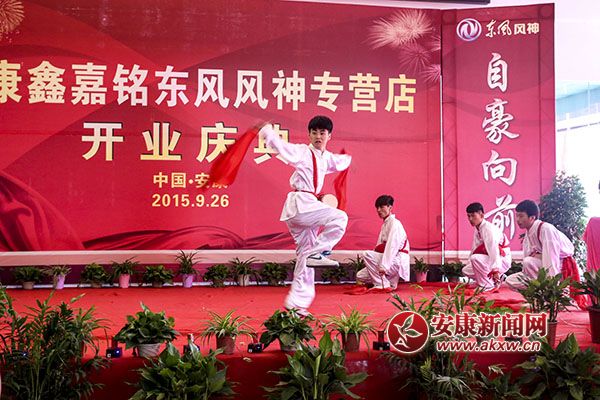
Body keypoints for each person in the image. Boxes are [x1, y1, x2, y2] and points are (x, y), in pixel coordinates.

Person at [258, 116, 351, 316]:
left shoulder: (326, 157)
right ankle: (319, 252)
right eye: (314, 132)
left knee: (305, 258)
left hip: (305, 209)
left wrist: (348, 159)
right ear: (309, 134)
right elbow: (281, 146)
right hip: (301, 205)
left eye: (322, 133)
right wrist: (267, 131)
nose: (318, 136)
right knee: (340, 218)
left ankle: (297, 304)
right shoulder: (302, 152)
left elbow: (338, 162)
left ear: (329, 136)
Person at [505, 199, 575, 290]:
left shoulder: (546, 229)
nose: (518, 220)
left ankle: (546, 288)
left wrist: (552, 285)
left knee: (528, 261)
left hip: (559, 265)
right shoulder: (528, 233)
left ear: (532, 217)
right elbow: (529, 256)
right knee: (510, 280)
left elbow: (551, 258)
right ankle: (538, 287)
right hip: (541, 266)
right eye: (517, 216)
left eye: (521, 216)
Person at [356, 195, 409, 292]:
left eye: (381, 207)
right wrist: (373, 264)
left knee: (366, 254)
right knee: (360, 276)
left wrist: (384, 266)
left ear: (390, 207)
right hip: (389, 259)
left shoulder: (395, 224)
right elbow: (378, 247)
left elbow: (392, 246)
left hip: (396, 260)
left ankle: (381, 284)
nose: (378, 210)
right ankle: (389, 282)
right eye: (377, 207)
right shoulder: (385, 224)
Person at [461, 202, 511, 291]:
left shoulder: (488, 229)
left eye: (473, 216)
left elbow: (494, 250)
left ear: (482, 215)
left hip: (501, 259)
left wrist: (495, 270)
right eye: (468, 216)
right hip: (490, 258)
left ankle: (487, 285)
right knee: (466, 270)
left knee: (475, 258)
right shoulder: (478, 228)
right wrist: (470, 263)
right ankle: (494, 279)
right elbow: (475, 248)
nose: (470, 219)